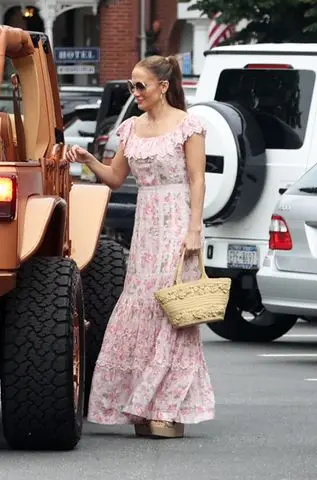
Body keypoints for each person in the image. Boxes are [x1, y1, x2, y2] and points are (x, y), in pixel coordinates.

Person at [66, 55, 215, 438]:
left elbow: (198, 180)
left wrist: (195, 229)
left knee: (172, 309)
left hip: (179, 221)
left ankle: (167, 410)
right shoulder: (130, 129)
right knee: (142, 304)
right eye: (131, 86)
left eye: (140, 86)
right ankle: (142, 407)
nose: (134, 94)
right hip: (147, 223)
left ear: (163, 86)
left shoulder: (188, 124)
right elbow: (115, 178)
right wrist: (87, 159)